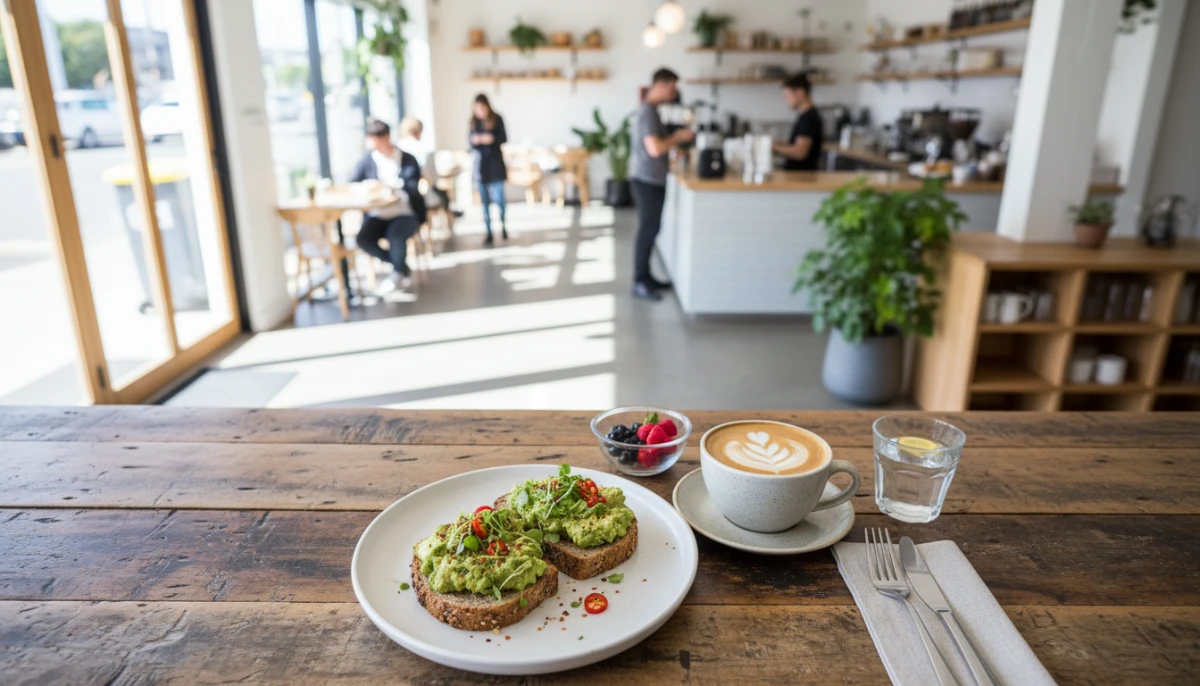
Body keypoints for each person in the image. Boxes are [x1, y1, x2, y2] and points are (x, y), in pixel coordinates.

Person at [630, 67, 694, 302]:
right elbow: (655, 148)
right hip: (647, 180)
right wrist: (679, 137)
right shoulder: (648, 112)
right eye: (672, 87)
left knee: (651, 230)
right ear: (661, 85)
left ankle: (646, 277)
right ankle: (639, 281)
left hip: (651, 178)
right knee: (647, 231)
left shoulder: (652, 111)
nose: (674, 92)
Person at [349, 119, 427, 291]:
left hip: (404, 213)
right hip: (378, 213)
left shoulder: (406, 159)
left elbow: (412, 187)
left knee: (396, 236)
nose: (374, 145)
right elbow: (352, 181)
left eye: (377, 141)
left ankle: (398, 272)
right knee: (363, 239)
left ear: (387, 138)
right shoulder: (368, 159)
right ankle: (400, 267)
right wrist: (369, 186)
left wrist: (391, 188)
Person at [397, 116, 459, 226]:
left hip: (401, 194)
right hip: (422, 195)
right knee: (443, 194)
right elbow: (432, 177)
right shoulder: (424, 149)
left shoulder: (397, 148)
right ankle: (450, 216)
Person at [469, 94, 508, 244]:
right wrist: (476, 140)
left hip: (496, 164)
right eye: (477, 108)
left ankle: (503, 226)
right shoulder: (473, 123)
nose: (480, 111)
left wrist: (490, 138)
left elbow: (504, 138)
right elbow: (470, 144)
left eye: (482, 107)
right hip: (481, 167)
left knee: (499, 199)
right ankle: (489, 232)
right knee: (484, 202)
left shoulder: (497, 119)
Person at [773, 73, 824, 171]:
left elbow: (800, 152)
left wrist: (773, 147)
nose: (786, 100)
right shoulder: (805, 116)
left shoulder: (809, 118)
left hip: (803, 178)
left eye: (788, 95)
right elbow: (798, 144)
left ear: (800, 92)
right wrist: (780, 144)